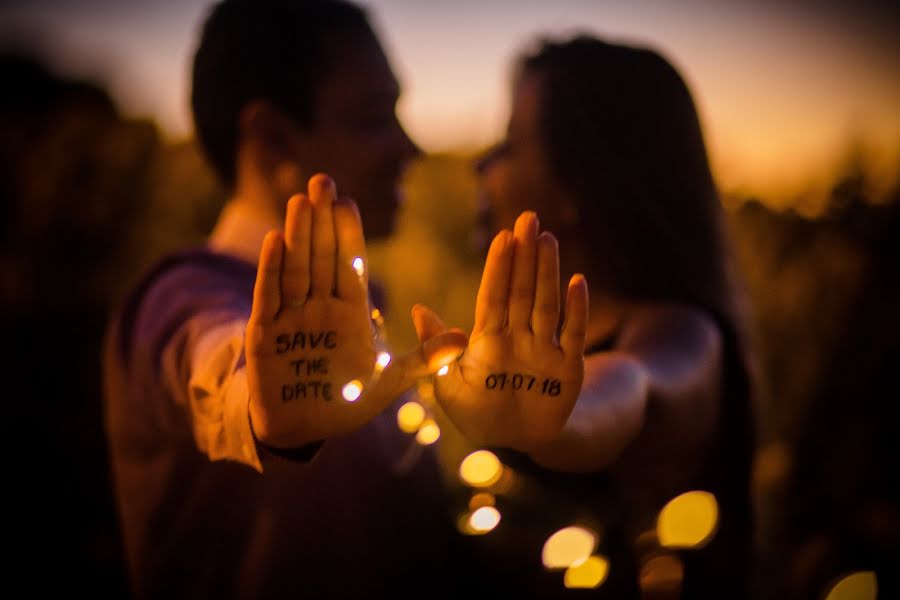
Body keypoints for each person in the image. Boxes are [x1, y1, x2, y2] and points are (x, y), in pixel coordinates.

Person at [102, 1, 475, 597]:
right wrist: (260, 407)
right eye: (372, 117)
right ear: (273, 139)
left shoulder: (358, 313)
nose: (410, 148)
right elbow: (214, 358)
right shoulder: (178, 297)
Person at [414, 36, 756, 596]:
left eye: (510, 144)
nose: (482, 162)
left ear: (580, 186)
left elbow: (634, 385)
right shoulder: (533, 342)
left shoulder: (681, 333)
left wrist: (565, 417)